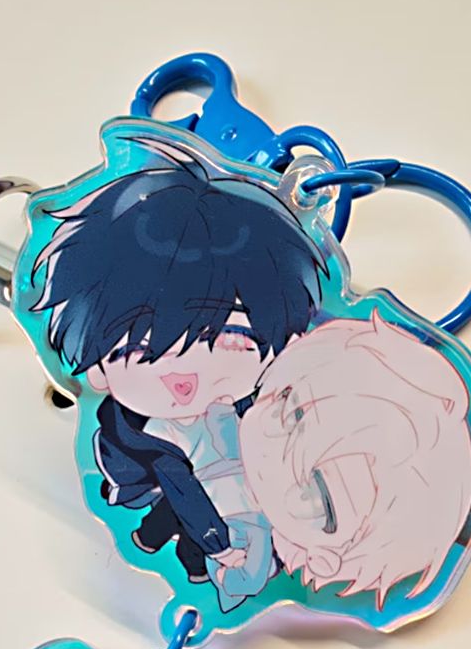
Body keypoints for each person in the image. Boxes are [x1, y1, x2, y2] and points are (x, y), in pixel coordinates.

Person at [30, 137, 327, 582]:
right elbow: (187, 492)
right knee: (183, 501)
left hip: (204, 462)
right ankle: (182, 558)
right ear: (97, 371)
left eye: (230, 339)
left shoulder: (258, 402)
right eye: (136, 350)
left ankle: (158, 540)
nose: (182, 374)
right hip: (146, 476)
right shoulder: (143, 432)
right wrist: (219, 548)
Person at [239, 310, 471, 608]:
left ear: (324, 559)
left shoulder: (249, 557)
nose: (268, 455)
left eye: (313, 496)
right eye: (289, 409)